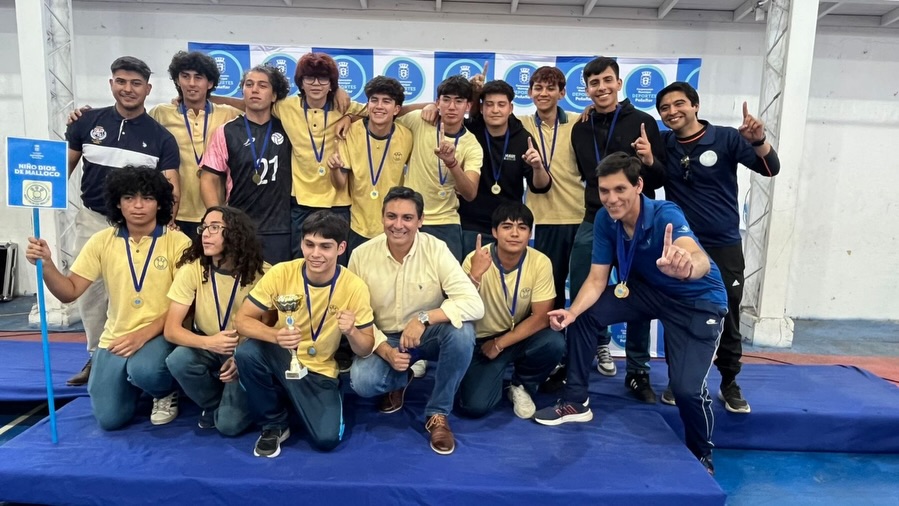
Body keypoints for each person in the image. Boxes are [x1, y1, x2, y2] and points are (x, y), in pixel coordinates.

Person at [532, 153, 727, 476]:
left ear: (638, 186)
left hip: (696, 299)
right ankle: (576, 401)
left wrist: (687, 266)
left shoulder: (665, 214)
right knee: (583, 314)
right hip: (647, 291)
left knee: (686, 390)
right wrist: (572, 311)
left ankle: (701, 454)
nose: (611, 199)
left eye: (620, 189)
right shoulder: (605, 220)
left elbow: (697, 257)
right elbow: (597, 279)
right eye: (604, 190)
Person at [25, 167, 191, 430]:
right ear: (118, 203)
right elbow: (69, 291)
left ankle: (163, 391)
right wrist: (46, 265)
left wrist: (142, 336)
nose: (138, 205)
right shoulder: (101, 241)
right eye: (129, 198)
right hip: (116, 336)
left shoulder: (179, 242)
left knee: (145, 370)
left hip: (161, 332)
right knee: (110, 419)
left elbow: (185, 307)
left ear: (160, 203)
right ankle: (133, 383)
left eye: (147, 198)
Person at [653, 81, 781, 412]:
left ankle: (729, 382)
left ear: (695, 105)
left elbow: (770, 168)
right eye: (665, 108)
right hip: (683, 244)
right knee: (680, 313)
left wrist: (759, 141)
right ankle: (679, 379)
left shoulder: (725, 138)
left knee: (727, 313)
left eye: (679, 104)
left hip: (723, 244)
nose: (672, 112)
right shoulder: (663, 143)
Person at [64, 56, 181, 387]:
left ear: (148, 89)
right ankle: (96, 355)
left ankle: (147, 355)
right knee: (92, 293)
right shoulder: (86, 123)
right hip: (94, 218)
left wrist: (167, 225)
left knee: (144, 291)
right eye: (121, 81)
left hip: (141, 227)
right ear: (111, 84)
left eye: (136, 83)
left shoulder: (161, 137)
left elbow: (171, 186)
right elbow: (62, 170)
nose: (128, 89)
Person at [348, 186, 484, 455]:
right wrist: (385, 351)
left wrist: (424, 318)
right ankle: (402, 376)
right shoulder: (361, 255)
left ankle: (438, 413)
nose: (398, 225)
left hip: (426, 335)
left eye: (407, 218)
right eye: (391, 216)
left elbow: (474, 304)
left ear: (420, 221)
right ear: (382, 217)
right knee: (363, 382)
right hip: (383, 337)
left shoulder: (437, 249)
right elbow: (357, 315)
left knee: (462, 333)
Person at [233, 211, 375, 458]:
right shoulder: (281, 272)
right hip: (283, 360)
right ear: (301, 243)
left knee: (327, 440)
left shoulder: (354, 286)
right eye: (309, 244)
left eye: (325, 246)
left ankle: (304, 401)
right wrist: (275, 336)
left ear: (341, 248)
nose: (315, 253)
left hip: (320, 371)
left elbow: (365, 348)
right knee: (247, 353)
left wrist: (352, 331)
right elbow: (241, 320)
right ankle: (274, 423)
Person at [569, 57, 666, 398]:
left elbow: (659, 178)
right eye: (594, 83)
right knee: (582, 288)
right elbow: (588, 174)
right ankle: (582, 360)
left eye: (607, 80)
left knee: (641, 294)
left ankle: (638, 370)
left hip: (637, 224)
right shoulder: (580, 127)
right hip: (594, 219)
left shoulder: (643, 123)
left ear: (619, 83)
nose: (602, 88)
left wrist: (649, 158)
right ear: (586, 89)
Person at [212, 53, 363, 260]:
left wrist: (350, 116)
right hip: (300, 203)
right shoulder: (286, 107)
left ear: (331, 83)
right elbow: (252, 103)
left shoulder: (343, 105)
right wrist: (206, 98)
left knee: (335, 264)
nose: (316, 84)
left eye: (323, 79)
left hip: (337, 203)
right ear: (300, 82)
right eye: (309, 78)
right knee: (299, 265)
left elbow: (379, 112)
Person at [457, 203, 565, 419]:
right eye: (507, 227)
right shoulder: (475, 259)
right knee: (474, 407)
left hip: (517, 337)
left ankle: (522, 385)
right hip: (482, 342)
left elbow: (541, 317)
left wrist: (500, 343)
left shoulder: (540, 261)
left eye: (522, 227)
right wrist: (475, 275)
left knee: (554, 342)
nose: (515, 233)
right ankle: (488, 377)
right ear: (494, 232)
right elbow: (459, 307)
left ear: (530, 233)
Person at [164, 206, 265, 435]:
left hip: (246, 351)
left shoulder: (262, 274)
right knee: (178, 359)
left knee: (229, 426)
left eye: (215, 227)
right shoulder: (193, 269)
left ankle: (240, 401)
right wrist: (209, 343)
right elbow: (171, 330)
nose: (205, 234)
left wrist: (241, 358)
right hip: (210, 344)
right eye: (204, 227)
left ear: (236, 234)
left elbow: (268, 328)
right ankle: (213, 404)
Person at [200, 65, 294, 265]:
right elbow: (208, 178)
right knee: (237, 282)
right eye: (249, 85)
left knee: (277, 283)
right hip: (239, 228)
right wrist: (218, 220)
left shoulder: (289, 128)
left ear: (274, 95)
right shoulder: (226, 131)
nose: (255, 90)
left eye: (262, 86)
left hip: (280, 229)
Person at [149, 51, 242, 242]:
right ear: (177, 80)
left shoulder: (229, 114)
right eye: (185, 76)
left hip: (216, 211)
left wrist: (214, 98)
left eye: (198, 78)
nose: (191, 83)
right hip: (174, 213)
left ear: (210, 83)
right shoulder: (161, 114)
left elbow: (258, 107)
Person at [395, 76, 484, 262]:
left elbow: (470, 193)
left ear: (468, 106)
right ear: (438, 102)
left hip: (446, 222)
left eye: (458, 101)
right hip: (410, 218)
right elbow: (391, 111)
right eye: (446, 100)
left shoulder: (472, 144)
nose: (451, 107)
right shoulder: (419, 121)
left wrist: (452, 163)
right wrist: (425, 106)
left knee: (447, 280)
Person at [457, 80, 551, 255]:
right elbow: (446, 113)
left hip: (508, 226)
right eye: (489, 104)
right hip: (470, 225)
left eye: (501, 105)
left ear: (511, 108)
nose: (495, 110)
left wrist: (538, 167)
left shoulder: (522, 138)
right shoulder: (468, 132)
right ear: (481, 108)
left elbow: (541, 186)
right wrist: (431, 108)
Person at [519, 66, 585, 312]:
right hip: (543, 219)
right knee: (549, 292)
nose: (543, 93)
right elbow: (483, 115)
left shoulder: (579, 121)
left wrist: (591, 109)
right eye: (538, 88)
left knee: (584, 289)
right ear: (529, 92)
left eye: (550, 88)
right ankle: (549, 336)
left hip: (579, 217)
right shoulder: (521, 124)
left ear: (562, 93)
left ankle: (586, 336)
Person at [327, 76, 413, 258]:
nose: (379, 106)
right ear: (367, 105)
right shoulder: (350, 132)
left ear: (397, 109)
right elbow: (340, 185)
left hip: (393, 227)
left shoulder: (407, 136)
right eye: (374, 100)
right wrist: (334, 170)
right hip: (358, 226)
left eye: (386, 101)